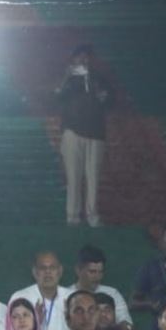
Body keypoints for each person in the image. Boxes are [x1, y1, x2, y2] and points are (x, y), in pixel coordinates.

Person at [56, 44, 110, 227]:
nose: (83, 60)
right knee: (74, 176)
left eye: (86, 57)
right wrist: (67, 77)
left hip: (96, 133)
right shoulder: (68, 80)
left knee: (93, 177)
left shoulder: (99, 79)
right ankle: (73, 217)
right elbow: (56, 97)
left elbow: (109, 101)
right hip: (72, 131)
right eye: (79, 57)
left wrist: (102, 95)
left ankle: (93, 216)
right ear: (73, 60)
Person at [9, 251, 75, 330]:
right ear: (35, 272)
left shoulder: (73, 298)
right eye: (43, 268)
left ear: (60, 271)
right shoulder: (21, 297)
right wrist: (34, 324)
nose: (48, 272)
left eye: (52, 268)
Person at [72, 245, 132, 330]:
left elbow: (127, 325)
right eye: (92, 272)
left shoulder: (112, 293)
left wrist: (105, 325)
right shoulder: (66, 295)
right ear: (78, 270)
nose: (97, 277)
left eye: (100, 272)